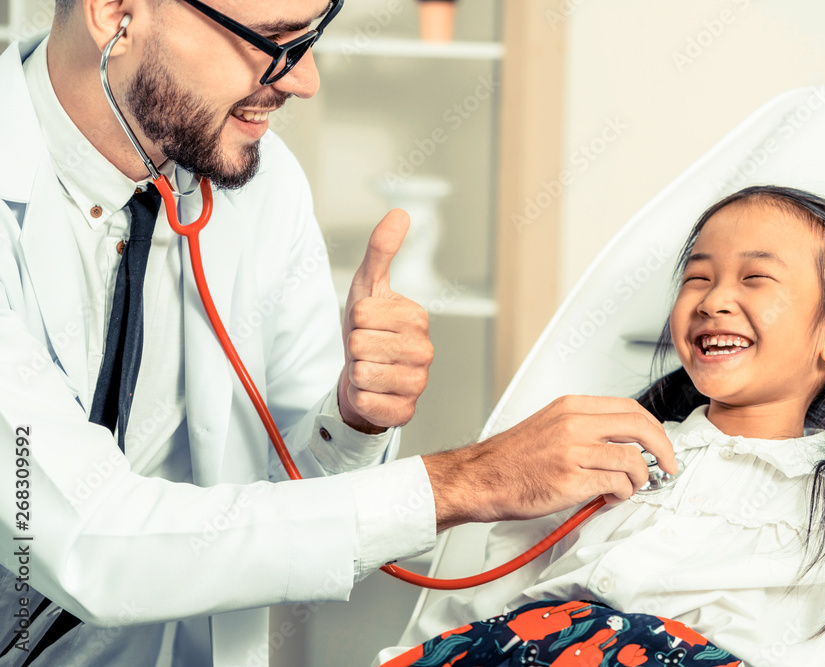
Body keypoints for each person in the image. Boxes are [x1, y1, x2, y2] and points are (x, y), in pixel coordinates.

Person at [0, 1, 676, 664]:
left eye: (310, 35)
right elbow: (86, 536)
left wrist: (353, 418)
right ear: (114, 11)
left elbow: (288, 490)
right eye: (271, 40)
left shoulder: (263, 186)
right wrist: (466, 482)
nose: (303, 78)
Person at [378, 186, 825, 667]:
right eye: (698, 277)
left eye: (755, 278)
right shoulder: (599, 453)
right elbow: (477, 607)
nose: (713, 299)